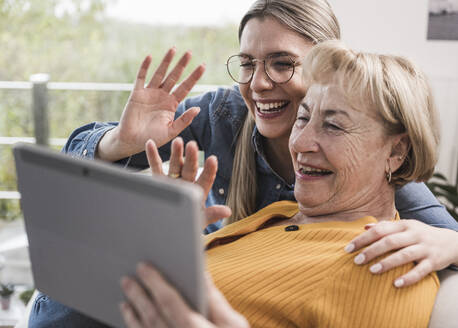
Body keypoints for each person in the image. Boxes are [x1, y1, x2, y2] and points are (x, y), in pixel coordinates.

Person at [29, 0, 458, 327]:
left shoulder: (381, 210)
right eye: (248, 64)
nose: (258, 83)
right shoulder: (223, 115)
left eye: (283, 64)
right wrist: (121, 145)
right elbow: (78, 161)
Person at [119, 40, 454, 327]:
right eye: (303, 118)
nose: (300, 143)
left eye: (333, 126)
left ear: (396, 151)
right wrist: (170, 240)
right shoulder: (283, 213)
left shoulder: (384, 266)